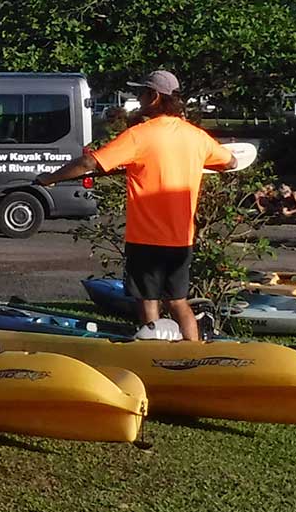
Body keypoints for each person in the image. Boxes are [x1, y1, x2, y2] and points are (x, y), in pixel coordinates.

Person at [37, 70, 235, 340]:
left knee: (148, 300)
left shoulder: (139, 136)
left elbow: (89, 163)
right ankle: (194, 354)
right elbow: (231, 162)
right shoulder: (196, 137)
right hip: (181, 239)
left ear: (155, 97)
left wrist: (49, 179)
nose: (138, 97)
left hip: (147, 239)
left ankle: (154, 353)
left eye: (142, 93)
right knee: (178, 301)